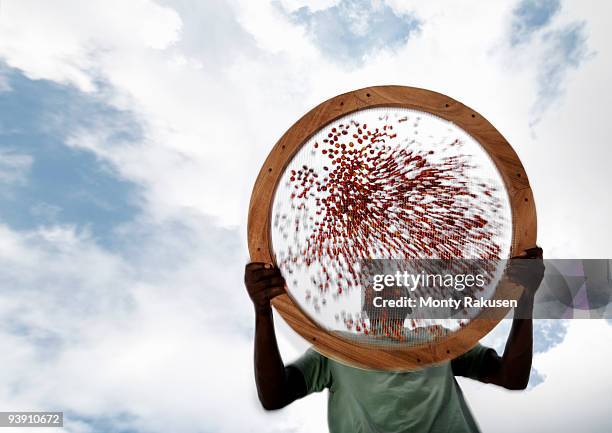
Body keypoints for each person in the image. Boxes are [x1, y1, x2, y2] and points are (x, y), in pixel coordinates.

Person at [244, 248, 544, 433]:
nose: (387, 290)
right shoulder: (338, 347)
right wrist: (262, 310)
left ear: (408, 299)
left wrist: (525, 297)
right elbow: (274, 396)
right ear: (365, 302)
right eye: (378, 285)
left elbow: (512, 377)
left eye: (395, 285)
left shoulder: (436, 337)